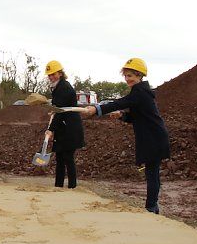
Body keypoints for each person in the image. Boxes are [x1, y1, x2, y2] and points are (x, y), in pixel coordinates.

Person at [82, 57, 171, 214]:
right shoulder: (140, 93)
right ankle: (153, 206)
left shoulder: (140, 92)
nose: (127, 79)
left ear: (139, 75)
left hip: (153, 138)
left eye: (130, 75)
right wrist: (122, 116)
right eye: (126, 75)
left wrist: (97, 109)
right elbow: (136, 117)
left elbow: (119, 102)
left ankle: (151, 207)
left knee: (152, 173)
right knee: (152, 172)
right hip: (153, 136)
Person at [43, 60, 85, 188]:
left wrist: (50, 129)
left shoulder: (64, 88)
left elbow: (60, 111)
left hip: (70, 128)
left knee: (67, 157)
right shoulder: (57, 87)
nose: (51, 77)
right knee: (60, 158)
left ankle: (72, 186)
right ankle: (59, 186)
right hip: (63, 127)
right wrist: (53, 112)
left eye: (53, 74)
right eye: (49, 75)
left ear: (60, 73)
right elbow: (58, 109)